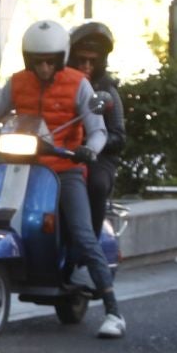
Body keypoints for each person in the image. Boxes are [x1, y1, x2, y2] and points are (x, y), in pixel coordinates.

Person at [0, 17, 123, 339]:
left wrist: (88, 150)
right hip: (20, 165)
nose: (44, 68)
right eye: (38, 61)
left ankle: (113, 311)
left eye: (51, 61)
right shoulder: (16, 83)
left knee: (84, 234)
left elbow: (98, 129)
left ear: (60, 58)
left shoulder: (78, 84)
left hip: (64, 169)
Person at [67, 21, 126, 237]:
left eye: (93, 61)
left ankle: (90, 240)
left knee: (97, 184)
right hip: (61, 151)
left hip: (97, 158)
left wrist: (90, 146)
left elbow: (119, 136)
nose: (87, 66)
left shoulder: (107, 89)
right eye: (81, 59)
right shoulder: (60, 85)